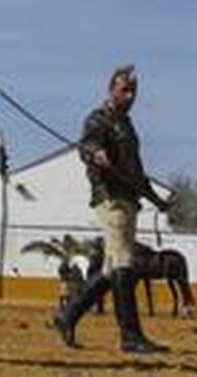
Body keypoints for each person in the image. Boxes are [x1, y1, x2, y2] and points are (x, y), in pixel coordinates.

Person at [51, 64, 171, 354]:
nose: (130, 96)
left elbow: (136, 173)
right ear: (111, 90)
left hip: (129, 200)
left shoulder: (127, 126)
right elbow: (87, 145)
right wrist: (96, 153)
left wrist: (157, 200)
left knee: (110, 269)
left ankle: (67, 316)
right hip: (110, 199)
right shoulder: (99, 118)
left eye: (134, 91)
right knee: (123, 262)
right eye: (125, 90)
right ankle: (130, 336)